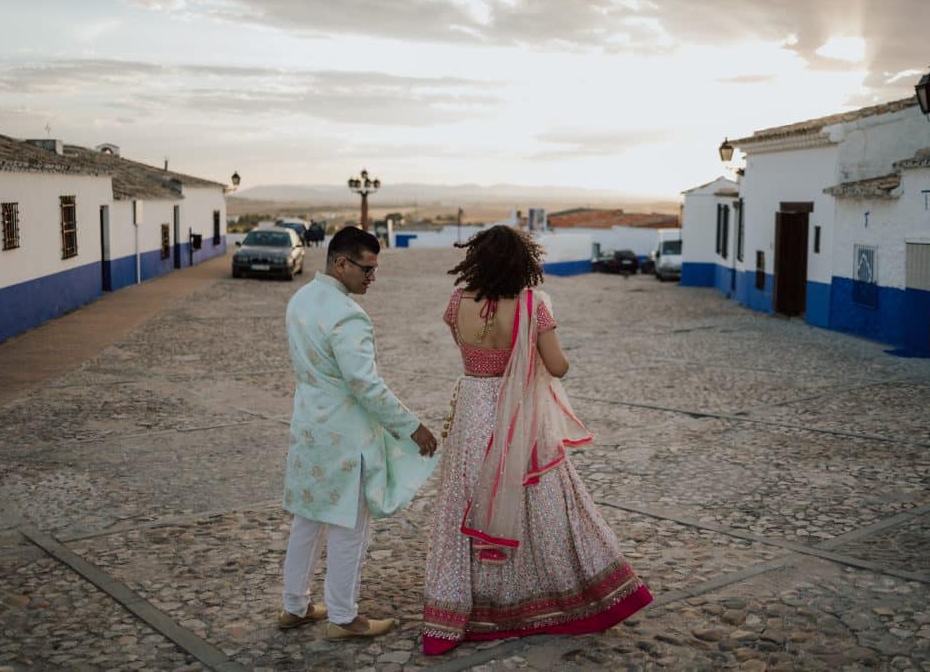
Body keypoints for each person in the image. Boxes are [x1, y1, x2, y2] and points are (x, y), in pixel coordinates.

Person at [422, 225, 652, 655]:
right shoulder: (533, 306)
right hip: (518, 417)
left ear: (475, 259)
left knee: (468, 499)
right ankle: (544, 598)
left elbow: (466, 349)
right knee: (539, 504)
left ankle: (471, 605)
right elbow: (558, 366)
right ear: (522, 263)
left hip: (474, 411)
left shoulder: (457, 304)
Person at [279, 226, 439, 640]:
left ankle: (294, 606)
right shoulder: (348, 314)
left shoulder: (300, 300)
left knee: (308, 521)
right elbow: (365, 383)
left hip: (309, 428)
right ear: (341, 263)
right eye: (367, 269)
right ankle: (343, 617)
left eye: (376, 269)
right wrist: (412, 427)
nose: (373, 278)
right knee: (349, 527)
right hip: (346, 440)